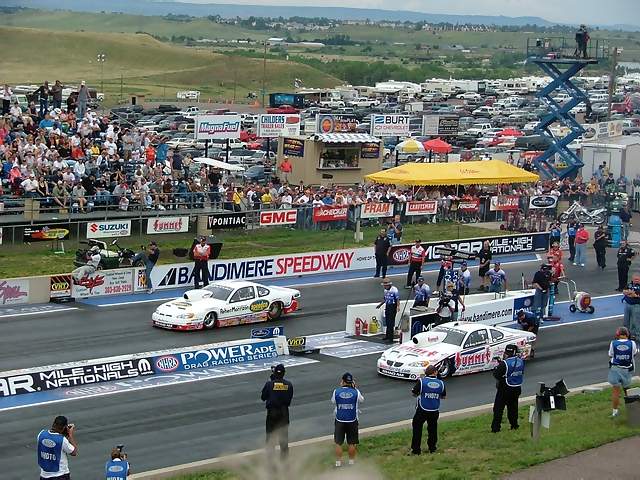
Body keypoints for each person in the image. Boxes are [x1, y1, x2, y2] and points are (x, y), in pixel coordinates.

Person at [410, 365, 446, 455]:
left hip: (422, 409)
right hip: (434, 410)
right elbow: (443, 396)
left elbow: (414, 393)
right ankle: (432, 448)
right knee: (433, 429)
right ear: (435, 372)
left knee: (417, 428)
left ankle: (416, 450)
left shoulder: (422, 381)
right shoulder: (441, 383)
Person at [261, 363, 294, 460]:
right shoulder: (289, 385)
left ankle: (270, 462)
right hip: (284, 413)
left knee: (270, 439)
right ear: (284, 373)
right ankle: (284, 462)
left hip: (272, 413)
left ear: (275, 373)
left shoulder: (269, 384)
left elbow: (263, 397)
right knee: (283, 440)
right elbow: (289, 399)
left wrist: (271, 382)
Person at [331, 372, 364, 468]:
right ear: (351, 382)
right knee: (352, 443)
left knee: (338, 443)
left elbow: (333, 401)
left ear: (342, 381)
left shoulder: (336, 391)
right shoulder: (356, 392)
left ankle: (338, 464)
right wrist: (355, 388)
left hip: (339, 420)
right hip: (352, 421)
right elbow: (362, 400)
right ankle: (351, 463)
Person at [491, 344, 524, 433]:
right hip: (517, 387)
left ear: (506, 352)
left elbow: (496, 375)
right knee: (513, 408)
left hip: (505, 388)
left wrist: (497, 366)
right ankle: (514, 425)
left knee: (498, 408)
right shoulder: (521, 361)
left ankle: (495, 428)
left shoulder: (504, 363)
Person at [608, 327, 638, 417]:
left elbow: (610, 354)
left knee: (616, 391)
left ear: (617, 335)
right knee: (627, 390)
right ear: (627, 335)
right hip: (627, 369)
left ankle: (615, 412)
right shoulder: (632, 343)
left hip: (615, 369)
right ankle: (634, 410)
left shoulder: (613, 343)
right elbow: (634, 353)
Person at [37, 415, 78, 480]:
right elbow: (74, 452)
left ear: (53, 423)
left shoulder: (41, 434)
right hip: (60, 475)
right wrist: (70, 435)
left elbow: (52, 440)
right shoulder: (62, 440)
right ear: (64, 427)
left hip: (44, 475)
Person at [623, 275, 640, 340]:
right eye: (635, 279)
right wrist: (630, 293)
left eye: (638, 279)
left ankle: (637, 336)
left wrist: (633, 294)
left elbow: (634, 295)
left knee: (636, 322)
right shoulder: (629, 285)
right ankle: (626, 335)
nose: (636, 280)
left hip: (636, 306)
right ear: (632, 279)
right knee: (626, 321)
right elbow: (624, 291)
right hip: (627, 305)